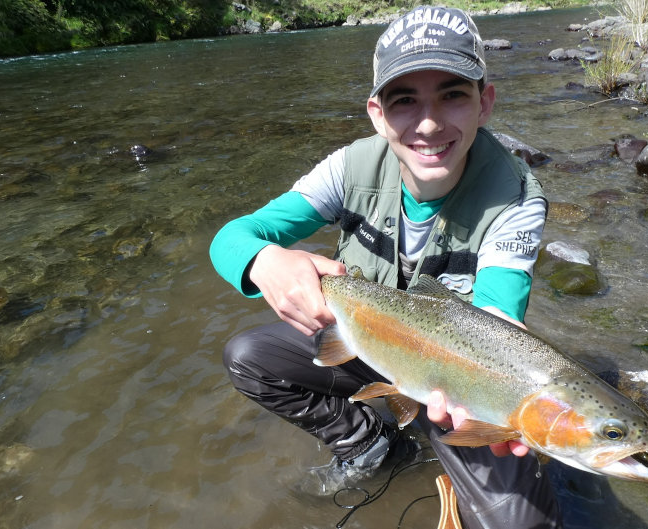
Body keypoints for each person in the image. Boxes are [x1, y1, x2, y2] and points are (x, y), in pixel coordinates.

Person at [209, 6, 560, 528]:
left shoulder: (516, 200)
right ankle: (369, 441)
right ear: (376, 113)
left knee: (521, 522)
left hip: (452, 378)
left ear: (485, 102)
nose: (428, 122)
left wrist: (499, 396)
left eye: (452, 95)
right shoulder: (348, 167)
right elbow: (231, 238)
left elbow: (498, 314)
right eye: (404, 101)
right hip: (365, 338)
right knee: (248, 357)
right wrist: (266, 261)